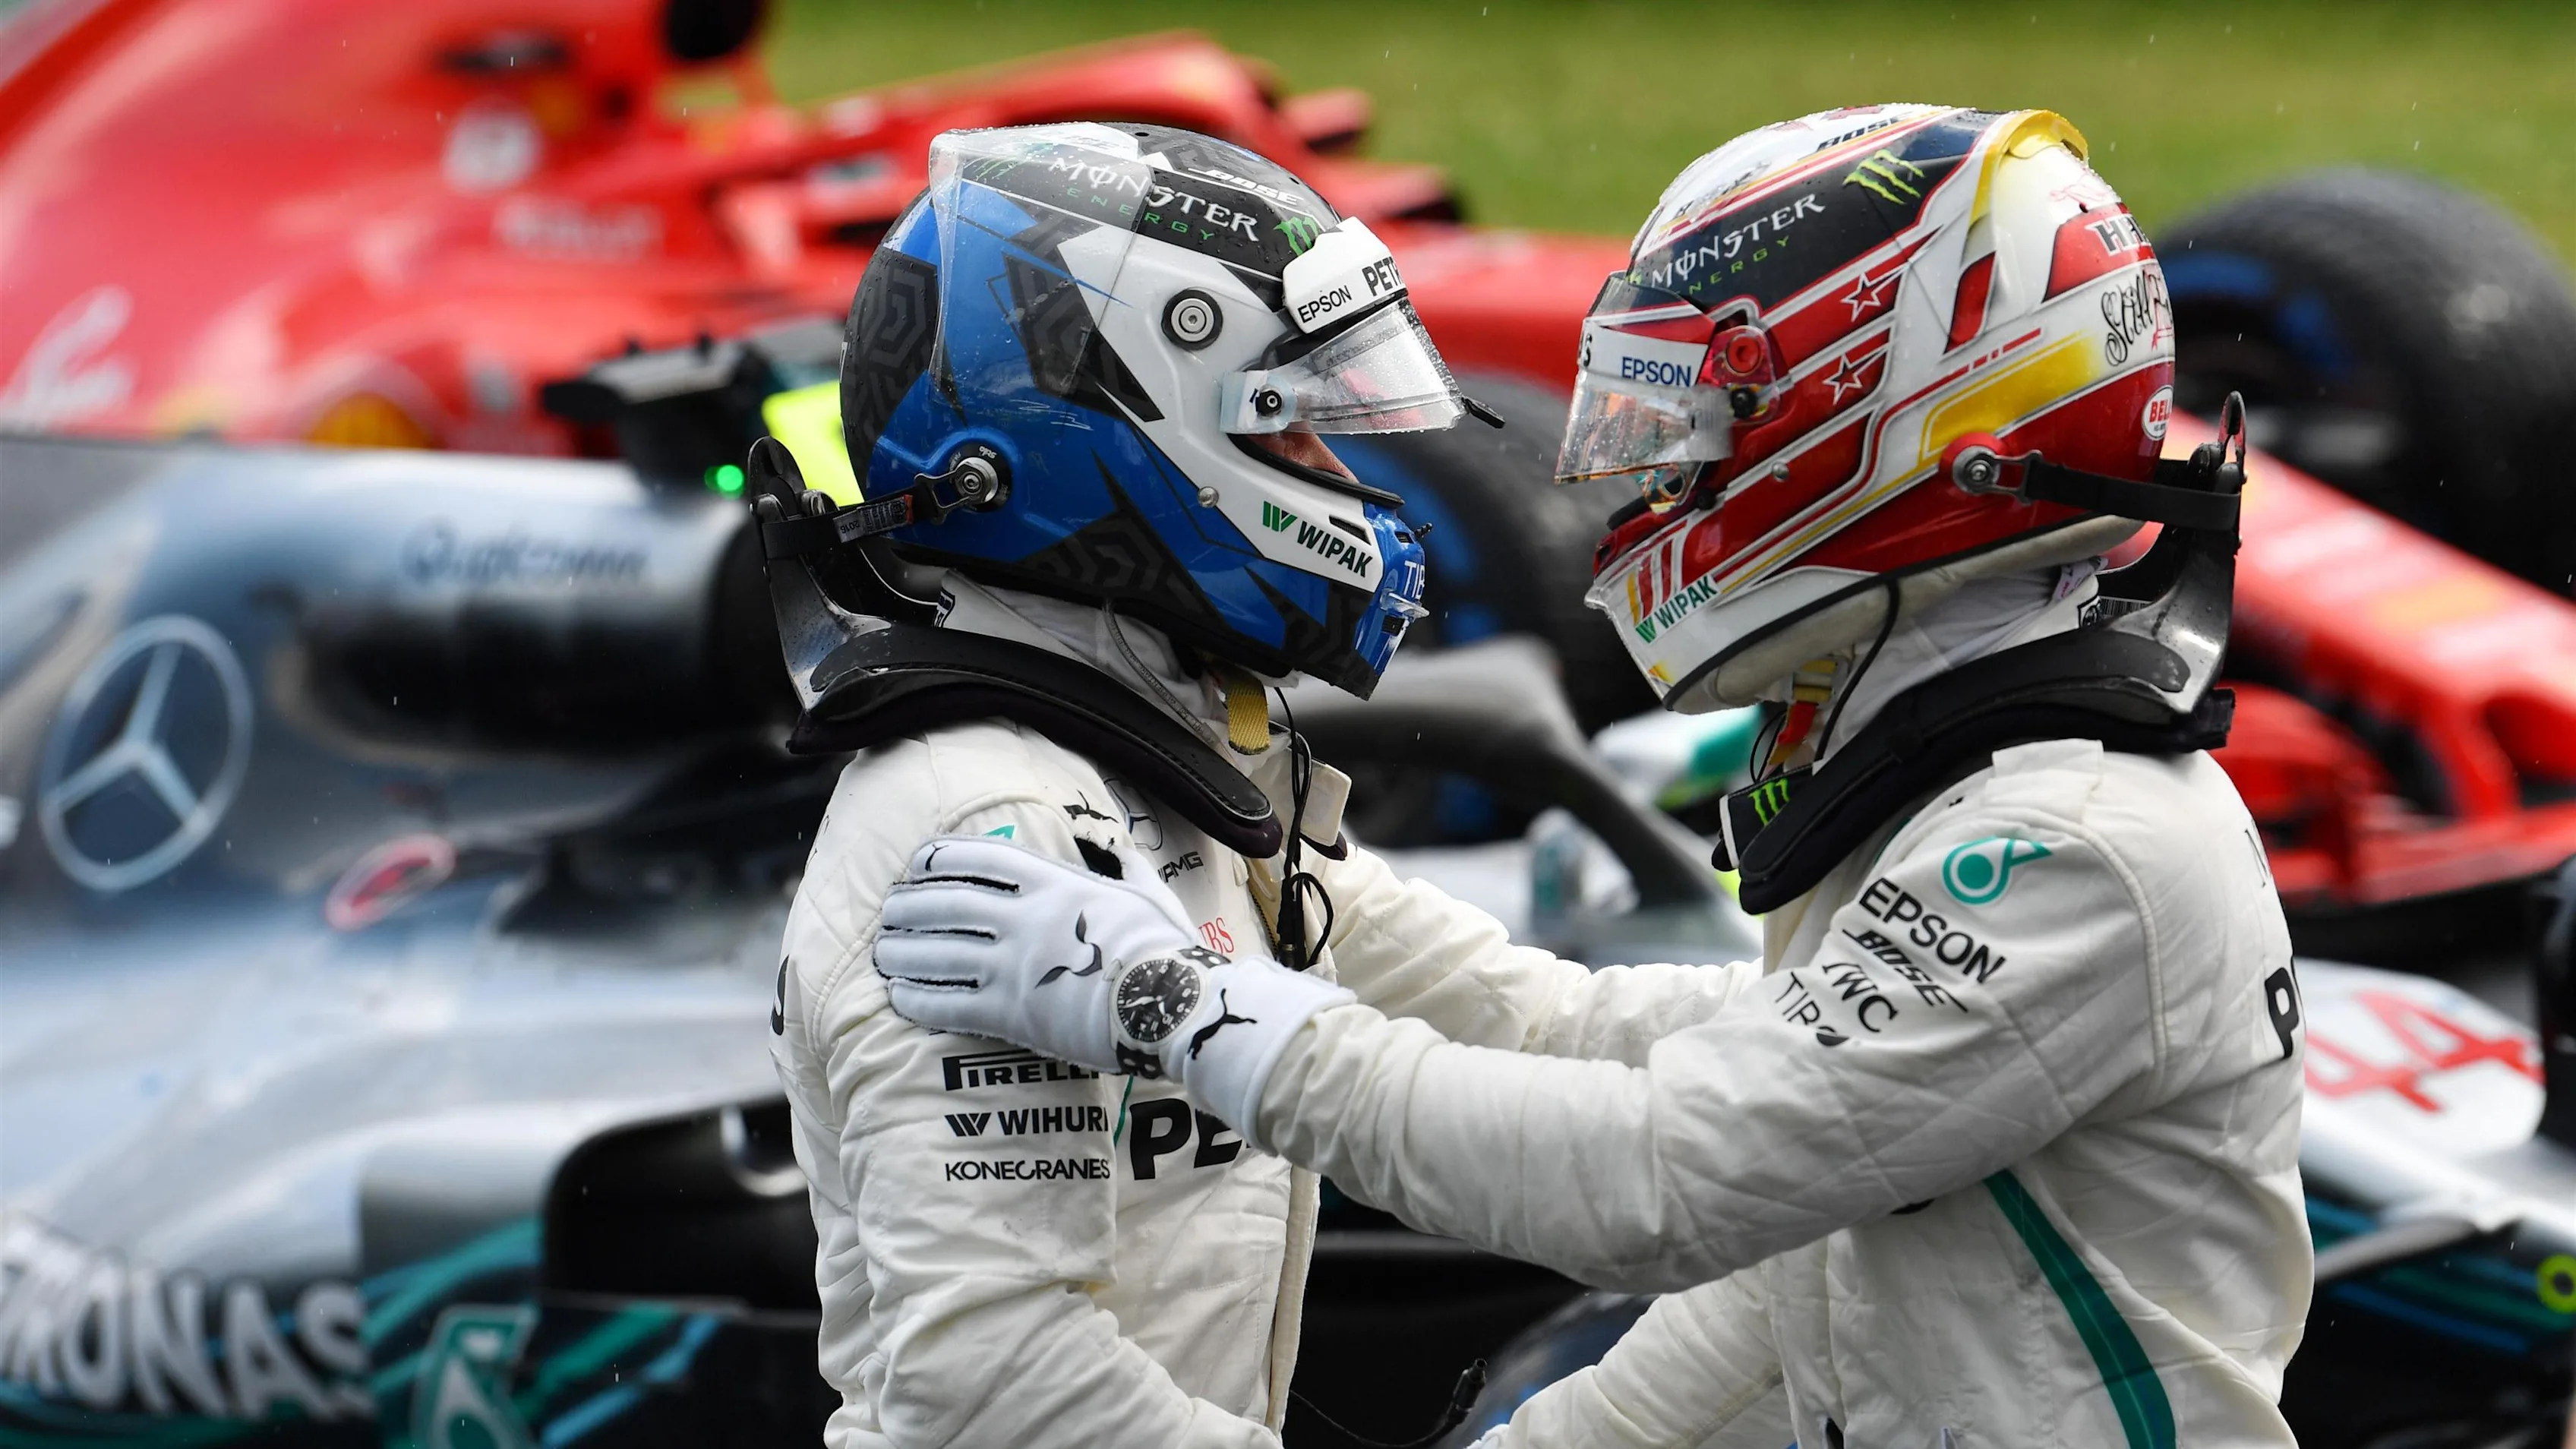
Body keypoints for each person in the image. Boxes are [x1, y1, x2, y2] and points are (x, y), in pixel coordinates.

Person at [873, 105, 2313, 1447]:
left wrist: (1174, 1002)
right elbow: (1772, 1239)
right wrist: (1307, 901)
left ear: (1916, 425)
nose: (1646, 489)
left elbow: (1655, 1179)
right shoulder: (1989, 771)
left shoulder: (2072, 842)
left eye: (1703, 429)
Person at [756, 120, 1757, 1449]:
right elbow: (992, 1383)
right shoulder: (992, 828)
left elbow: (1535, 1024)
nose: (1353, 490)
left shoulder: (1163, 775)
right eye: (1297, 437)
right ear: (1099, 437)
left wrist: (1849, 1033)